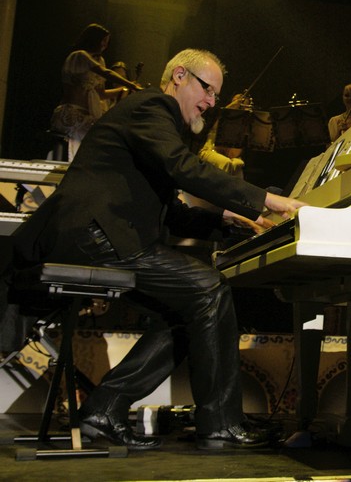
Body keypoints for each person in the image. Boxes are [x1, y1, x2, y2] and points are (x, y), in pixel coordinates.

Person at [12, 48, 307, 451]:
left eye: (216, 95)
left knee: (189, 308)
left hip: (104, 235)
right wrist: (268, 200)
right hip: (96, 234)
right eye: (208, 89)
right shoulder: (152, 106)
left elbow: (170, 213)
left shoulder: (155, 124)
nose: (211, 102)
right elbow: (182, 167)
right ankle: (222, 423)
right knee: (209, 288)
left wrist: (225, 220)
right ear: (180, 76)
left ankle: (104, 410)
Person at [50, 23, 142, 160]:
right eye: (103, 40)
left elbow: (102, 94)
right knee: (103, 137)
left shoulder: (99, 60)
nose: (105, 44)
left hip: (87, 117)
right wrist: (130, 85)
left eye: (107, 41)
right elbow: (105, 72)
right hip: (71, 114)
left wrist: (127, 88)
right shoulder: (79, 56)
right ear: (94, 39)